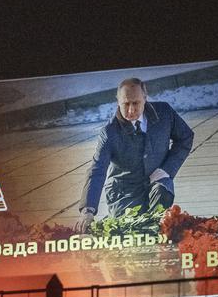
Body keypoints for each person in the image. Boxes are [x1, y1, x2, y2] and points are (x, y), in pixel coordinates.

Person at [75, 77, 194, 233]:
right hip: (124, 192)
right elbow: (97, 169)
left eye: (136, 103)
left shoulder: (164, 113)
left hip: (156, 183)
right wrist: (87, 210)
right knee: (130, 231)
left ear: (145, 99)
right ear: (118, 101)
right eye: (125, 104)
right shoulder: (109, 132)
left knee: (159, 217)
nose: (131, 110)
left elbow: (185, 137)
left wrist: (167, 170)